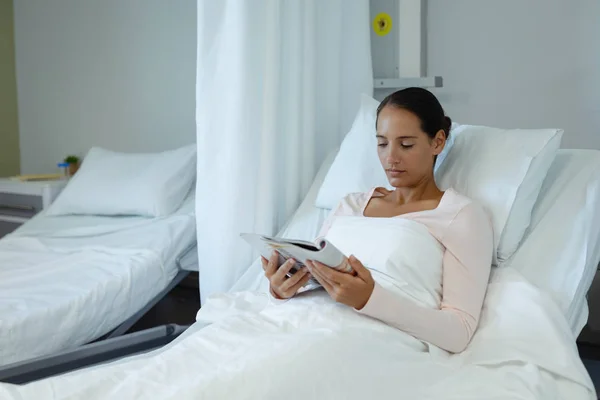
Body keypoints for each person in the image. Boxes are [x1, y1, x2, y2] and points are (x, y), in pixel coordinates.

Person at [261, 88, 493, 353]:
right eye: (382, 143)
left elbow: (458, 332)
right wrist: (281, 288)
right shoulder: (351, 204)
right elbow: (314, 269)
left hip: (367, 342)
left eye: (406, 145)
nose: (390, 158)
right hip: (299, 323)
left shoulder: (460, 215)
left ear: (437, 142)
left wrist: (370, 299)